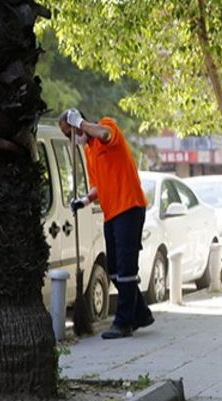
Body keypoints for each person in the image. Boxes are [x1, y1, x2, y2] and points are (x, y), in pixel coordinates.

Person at [59, 108, 153, 339]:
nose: (70, 139)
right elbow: (98, 186)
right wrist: (84, 200)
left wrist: (80, 122)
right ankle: (141, 314)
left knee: (126, 267)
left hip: (129, 207)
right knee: (114, 270)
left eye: (70, 133)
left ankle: (123, 323)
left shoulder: (107, 126)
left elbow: (104, 134)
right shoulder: (90, 152)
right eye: (66, 136)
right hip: (112, 213)